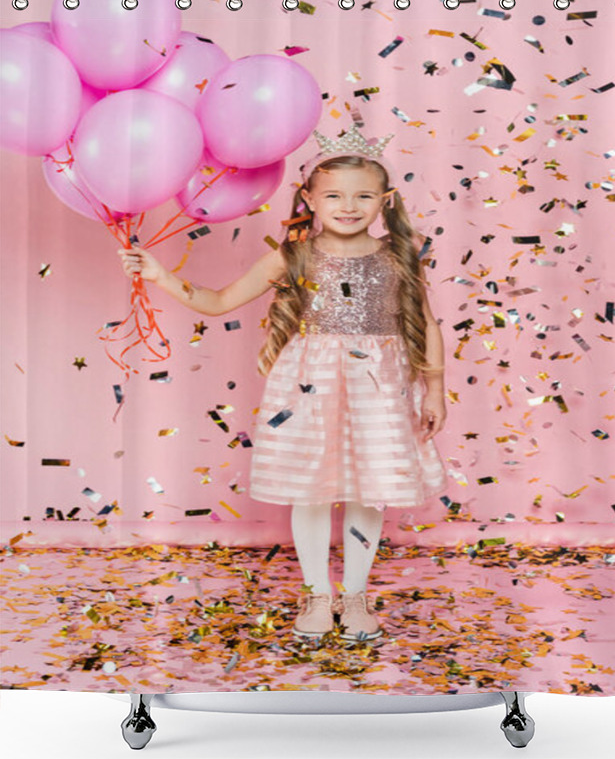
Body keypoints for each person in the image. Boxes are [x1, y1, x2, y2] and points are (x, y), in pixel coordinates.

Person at [117, 123, 449, 644]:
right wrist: (161, 276)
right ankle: (319, 594)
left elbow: (425, 322)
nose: (348, 205)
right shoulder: (293, 255)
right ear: (310, 199)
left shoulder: (400, 256)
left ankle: (356, 595)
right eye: (334, 195)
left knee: (371, 494)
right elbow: (220, 301)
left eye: (363, 195)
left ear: (384, 200)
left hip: (378, 388)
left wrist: (434, 388)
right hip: (309, 388)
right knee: (310, 492)